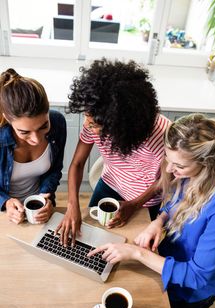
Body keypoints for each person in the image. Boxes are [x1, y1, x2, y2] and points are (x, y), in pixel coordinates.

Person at [88, 113, 215, 308]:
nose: (170, 170)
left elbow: (198, 276)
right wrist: (160, 220)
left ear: (207, 163)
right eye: (168, 160)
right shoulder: (189, 173)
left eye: (180, 166)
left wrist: (138, 254)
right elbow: (174, 201)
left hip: (192, 290)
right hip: (167, 260)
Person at [56, 58, 170, 246]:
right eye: (86, 117)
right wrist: (72, 205)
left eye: (93, 124)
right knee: (89, 241)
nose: (86, 125)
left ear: (119, 124)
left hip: (144, 200)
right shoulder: (94, 118)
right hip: (109, 184)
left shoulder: (162, 134)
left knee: (128, 248)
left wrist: (135, 204)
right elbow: (77, 163)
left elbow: (167, 178)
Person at [0, 68, 67, 224]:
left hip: (41, 207)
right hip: (5, 213)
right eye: (24, 132)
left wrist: (45, 196)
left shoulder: (57, 123)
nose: (36, 139)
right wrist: (5, 202)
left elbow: (55, 170)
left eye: (43, 126)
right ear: (8, 119)